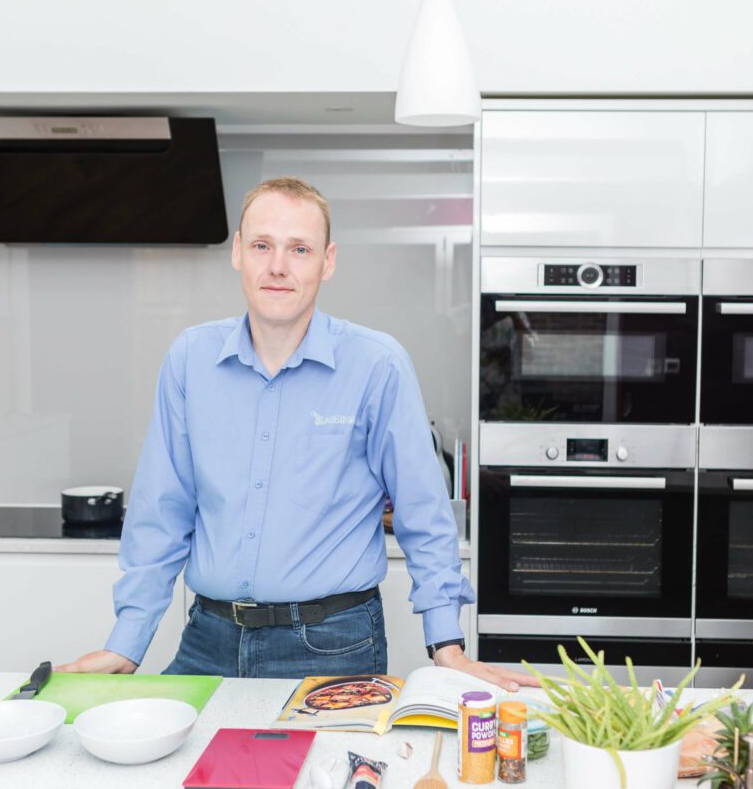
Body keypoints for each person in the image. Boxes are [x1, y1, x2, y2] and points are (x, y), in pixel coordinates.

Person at [57, 176, 538, 691]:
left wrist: (447, 645)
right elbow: (162, 511)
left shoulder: (377, 365)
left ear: (327, 261)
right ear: (239, 252)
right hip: (207, 638)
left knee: (322, 775)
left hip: (333, 646)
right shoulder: (189, 360)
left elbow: (423, 511)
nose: (278, 266)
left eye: (299, 249)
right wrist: (126, 643)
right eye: (263, 245)